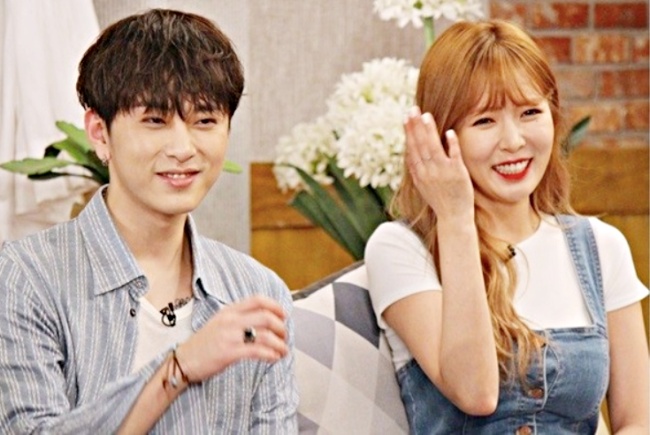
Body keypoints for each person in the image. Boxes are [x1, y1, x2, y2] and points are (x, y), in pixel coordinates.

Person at [0, 9, 298, 434]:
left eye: (205, 121)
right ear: (100, 133)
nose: (183, 148)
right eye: (155, 121)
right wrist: (179, 368)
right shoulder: (26, 277)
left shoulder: (259, 292)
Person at [365, 19, 649, 434]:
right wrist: (456, 219)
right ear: (442, 136)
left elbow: (638, 421)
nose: (514, 140)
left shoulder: (602, 247)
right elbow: (476, 393)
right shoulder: (400, 248)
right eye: (485, 121)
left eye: (530, 112)